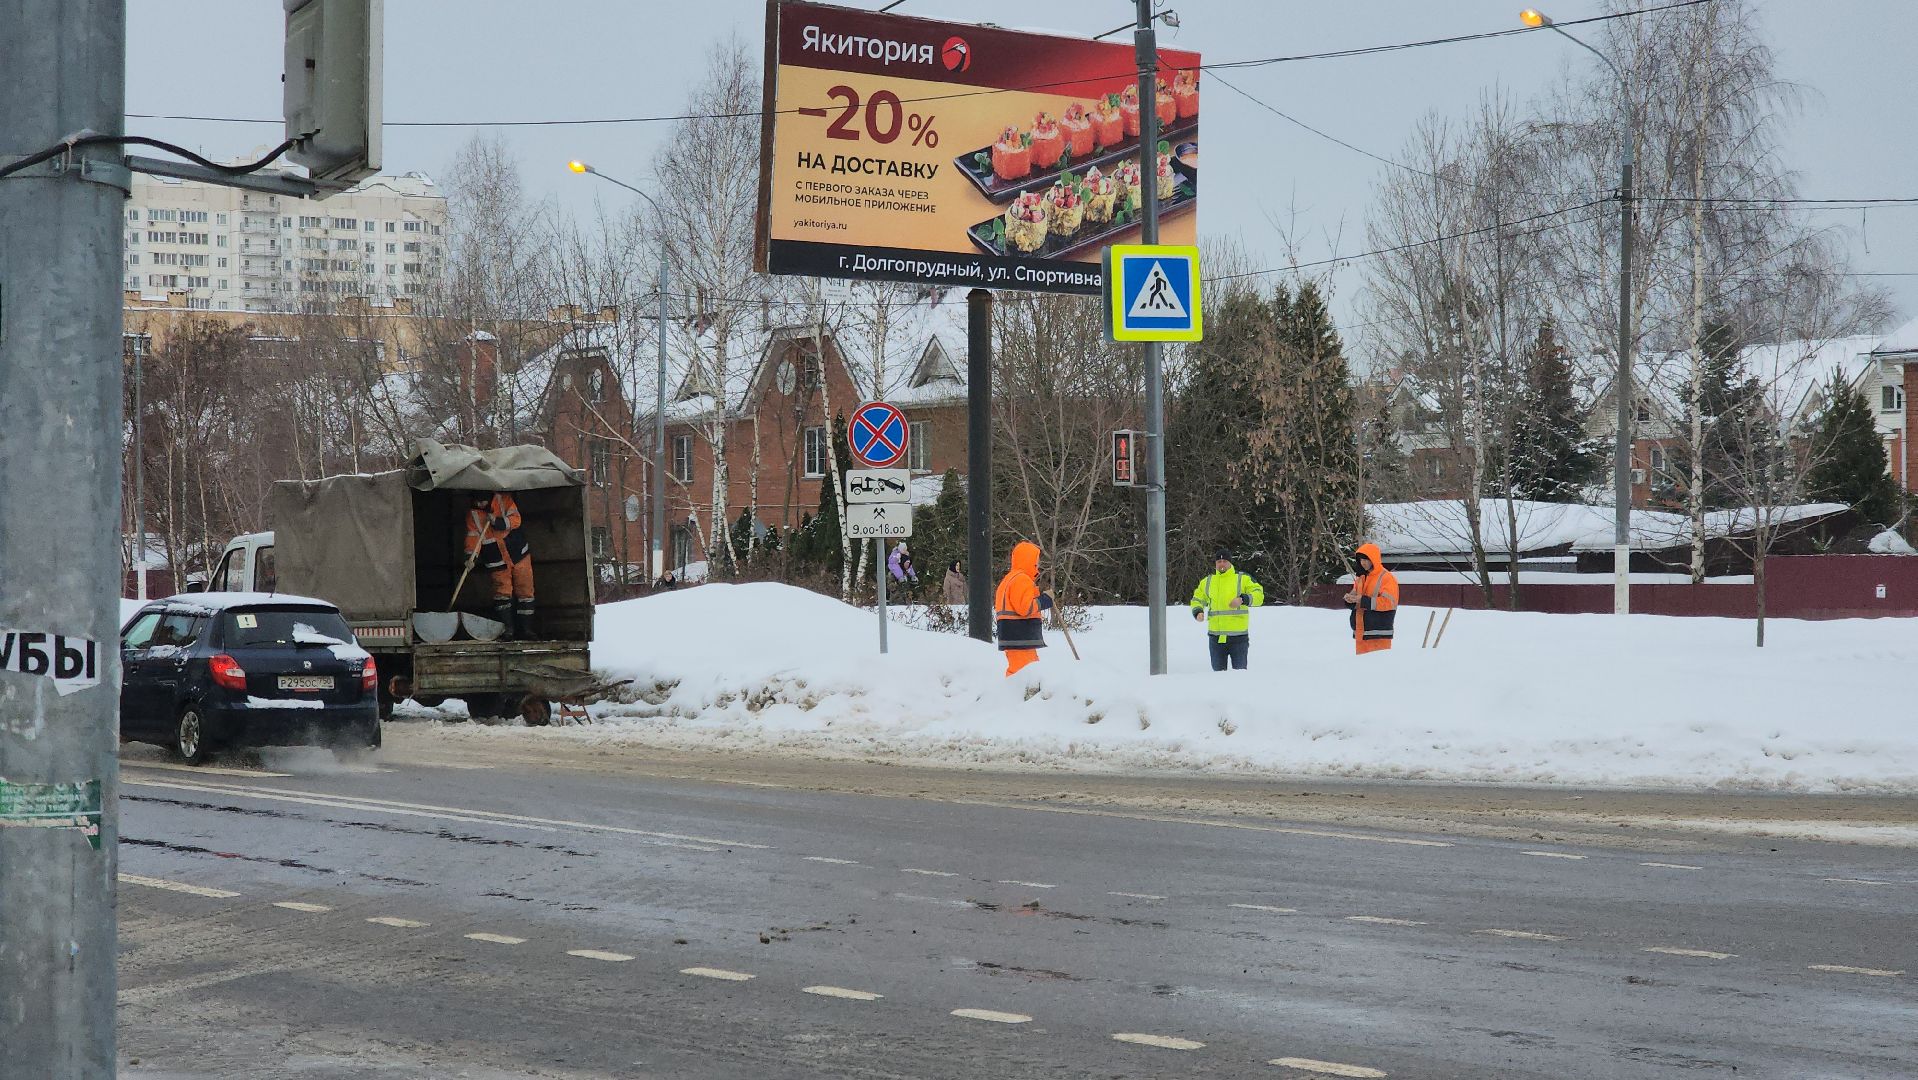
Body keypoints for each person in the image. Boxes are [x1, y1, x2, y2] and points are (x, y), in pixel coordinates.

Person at [465, 490, 534, 640]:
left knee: (526, 592)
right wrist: (471, 557)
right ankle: (507, 630)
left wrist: (498, 522)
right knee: (502, 594)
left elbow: (516, 519)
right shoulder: (473, 515)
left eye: (481, 501)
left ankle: (526, 630)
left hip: (518, 555)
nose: (479, 504)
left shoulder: (504, 500)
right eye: (476, 502)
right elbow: (473, 538)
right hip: (496, 559)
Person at [1190, 549, 1265, 671]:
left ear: (1230, 562)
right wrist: (1198, 611)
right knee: (1218, 678)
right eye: (1219, 561)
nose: (1221, 564)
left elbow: (1259, 595)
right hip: (1216, 638)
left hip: (1238, 638)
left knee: (1240, 676)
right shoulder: (1208, 581)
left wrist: (1243, 599)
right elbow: (1197, 598)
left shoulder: (1242, 578)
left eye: (1224, 561)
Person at [993, 541, 1052, 676]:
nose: (1037, 567)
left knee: (1020, 672)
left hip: (1012, 637)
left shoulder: (1008, 579)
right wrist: (1045, 601)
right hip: (1020, 638)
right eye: (1036, 562)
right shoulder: (1021, 579)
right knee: (1025, 674)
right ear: (1029, 561)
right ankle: (1014, 696)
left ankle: (1011, 695)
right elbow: (1025, 608)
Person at [1343, 542, 1399, 655]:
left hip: (1379, 635)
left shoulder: (1386, 577)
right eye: (1361, 560)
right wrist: (1349, 600)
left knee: (1378, 670)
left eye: (1366, 559)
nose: (1363, 563)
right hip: (1361, 634)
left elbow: (1389, 602)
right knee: (1362, 671)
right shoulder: (1360, 579)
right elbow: (1357, 599)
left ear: (1374, 559)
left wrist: (1362, 600)